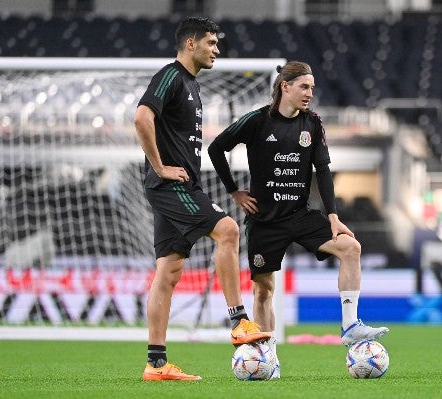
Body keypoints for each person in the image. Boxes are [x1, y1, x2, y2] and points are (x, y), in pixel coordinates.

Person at [208, 60, 389, 379]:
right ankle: (269, 358)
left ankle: (349, 326)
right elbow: (216, 148)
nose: (309, 93)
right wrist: (234, 190)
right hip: (264, 221)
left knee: (351, 248)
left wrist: (333, 215)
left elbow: (323, 170)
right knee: (263, 291)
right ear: (285, 86)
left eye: (312, 88)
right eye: (304, 87)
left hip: (301, 215)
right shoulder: (256, 122)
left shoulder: (313, 123)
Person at [134, 16, 270, 381]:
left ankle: (156, 364)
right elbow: (141, 117)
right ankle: (239, 321)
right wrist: (161, 167)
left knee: (169, 270)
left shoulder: (192, 85)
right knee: (228, 230)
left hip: (181, 184)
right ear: (190, 44)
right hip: (171, 184)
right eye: (211, 42)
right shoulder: (170, 75)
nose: (217, 50)